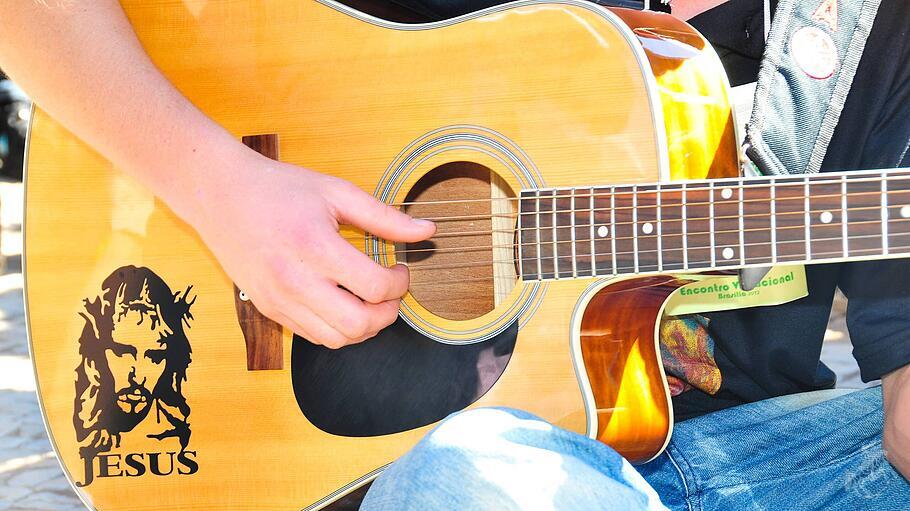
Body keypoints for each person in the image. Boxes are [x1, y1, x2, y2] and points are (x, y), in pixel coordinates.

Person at [0, 0, 907, 509]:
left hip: (733, 465)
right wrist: (220, 189)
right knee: (473, 480)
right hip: (423, 472)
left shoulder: (868, 22)